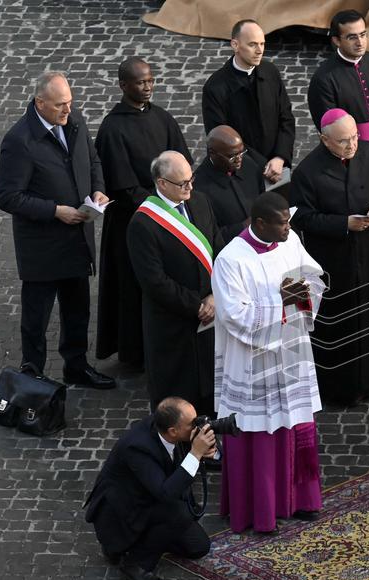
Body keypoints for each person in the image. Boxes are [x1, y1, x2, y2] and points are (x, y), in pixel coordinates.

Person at [212, 192, 326, 533]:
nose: (288, 229)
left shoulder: (289, 242)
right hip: (253, 358)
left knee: (295, 420)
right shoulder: (231, 259)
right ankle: (260, 508)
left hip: (291, 351)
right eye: (281, 223)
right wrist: (285, 302)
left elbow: (314, 277)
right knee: (259, 430)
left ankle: (301, 499)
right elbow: (235, 315)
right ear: (259, 223)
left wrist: (302, 295)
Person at [0, 71, 115, 389]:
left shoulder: (72, 120)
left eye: (70, 102)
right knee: (37, 317)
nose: (68, 110)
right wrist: (55, 211)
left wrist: (99, 190)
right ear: (40, 103)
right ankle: (32, 375)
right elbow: (8, 197)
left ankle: (77, 367)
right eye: (61, 104)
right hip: (43, 248)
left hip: (76, 239)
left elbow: (92, 161)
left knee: (78, 311)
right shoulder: (19, 141)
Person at [290, 109, 369, 406]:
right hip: (334, 258)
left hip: (368, 249)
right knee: (341, 322)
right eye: (344, 141)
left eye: (355, 137)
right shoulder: (307, 172)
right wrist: (343, 224)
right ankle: (343, 388)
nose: (352, 145)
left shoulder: (366, 154)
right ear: (325, 140)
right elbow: (303, 217)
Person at [95, 57, 191, 369]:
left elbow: (183, 162)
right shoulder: (113, 128)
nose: (147, 87)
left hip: (171, 217)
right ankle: (135, 354)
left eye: (150, 80)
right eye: (140, 82)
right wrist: (162, 207)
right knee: (133, 289)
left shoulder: (163, 119)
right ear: (124, 85)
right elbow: (123, 188)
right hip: (133, 222)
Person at [126, 151, 225, 415]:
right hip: (172, 323)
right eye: (182, 184)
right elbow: (154, 282)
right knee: (178, 393)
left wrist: (215, 295)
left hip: (210, 312)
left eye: (191, 180)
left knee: (211, 386)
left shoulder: (200, 201)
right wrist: (197, 305)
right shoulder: (143, 224)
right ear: (161, 183)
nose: (190, 187)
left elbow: (217, 249)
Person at [84, 397, 216, 580]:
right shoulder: (138, 447)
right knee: (178, 513)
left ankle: (151, 539)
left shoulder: (169, 431)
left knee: (198, 546)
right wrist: (195, 454)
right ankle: (136, 564)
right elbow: (166, 493)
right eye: (192, 424)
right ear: (173, 431)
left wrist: (200, 454)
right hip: (123, 517)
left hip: (148, 500)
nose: (197, 428)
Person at [202, 19, 295, 185]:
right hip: (242, 175)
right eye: (253, 44)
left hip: (278, 168)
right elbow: (220, 139)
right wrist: (263, 166)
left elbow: (286, 118)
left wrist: (280, 157)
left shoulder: (270, 72)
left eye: (262, 44)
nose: (260, 50)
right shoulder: (215, 88)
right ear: (235, 45)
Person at [307, 9, 369, 163]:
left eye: (363, 35)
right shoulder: (323, 79)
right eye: (352, 37)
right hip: (347, 157)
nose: (360, 42)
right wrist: (362, 157)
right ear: (336, 40)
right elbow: (331, 130)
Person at [193, 125, 266, 243]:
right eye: (232, 156)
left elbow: (262, 195)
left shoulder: (249, 165)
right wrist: (242, 227)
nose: (239, 159)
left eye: (241, 152)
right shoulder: (198, 189)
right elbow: (207, 234)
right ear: (212, 153)